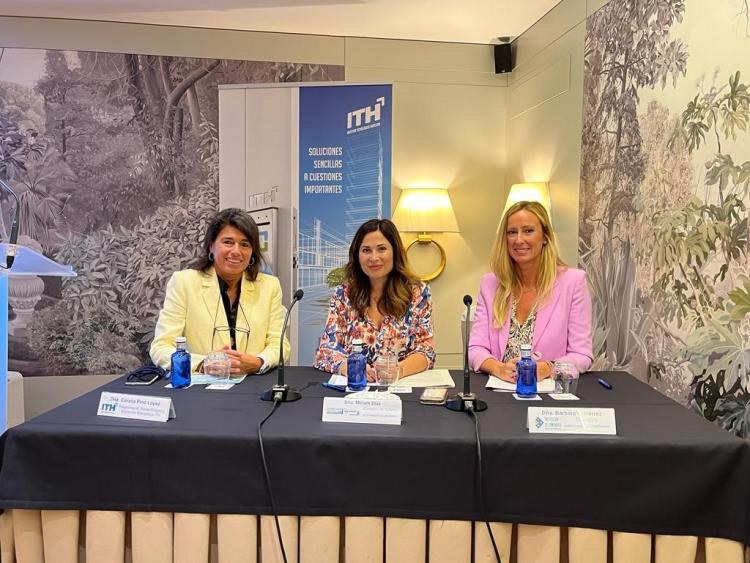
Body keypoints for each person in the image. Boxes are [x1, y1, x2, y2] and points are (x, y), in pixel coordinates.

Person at [150, 208, 289, 375]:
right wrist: (202, 364)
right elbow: (161, 347)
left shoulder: (270, 286)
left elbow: (279, 344)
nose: (236, 251)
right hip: (203, 384)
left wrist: (258, 362)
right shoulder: (184, 283)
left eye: (245, 244)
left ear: (252, 252)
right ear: (211, 246)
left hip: (253, 383)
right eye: (228, 242)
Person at [468, 200, 592, 382]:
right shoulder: (490, 284)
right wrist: (498, 368)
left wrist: (547, 368)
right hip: (499, 390)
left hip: (547, 392)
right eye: (512, 232)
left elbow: (582, 355)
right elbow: (476, 349)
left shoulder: (573, 282)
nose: (519, 240)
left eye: (528, 231)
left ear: (545, 237)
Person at [313, 218, 435, 380]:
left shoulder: (417, 292)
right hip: (355, 386)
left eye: (382, 249)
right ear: (357, 255)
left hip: (400, 386)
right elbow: (326, 350)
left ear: (395, 252)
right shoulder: (343, 294)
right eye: (366, 250)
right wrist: (348, 367)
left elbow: (426, 350)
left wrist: (398, 370)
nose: (374, 257)